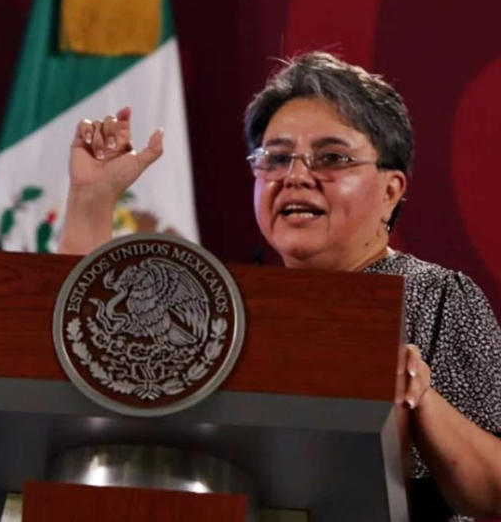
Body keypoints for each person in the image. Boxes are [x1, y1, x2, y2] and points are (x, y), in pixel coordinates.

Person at [61, 53, 501, 522]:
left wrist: (420, 397)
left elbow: (494, 491)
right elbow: (89, 356)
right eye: (276, 158)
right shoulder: (229, 311)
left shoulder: (436, 297)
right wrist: (92, 199)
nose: (295, 176)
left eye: (331, 158)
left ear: (390, 192)